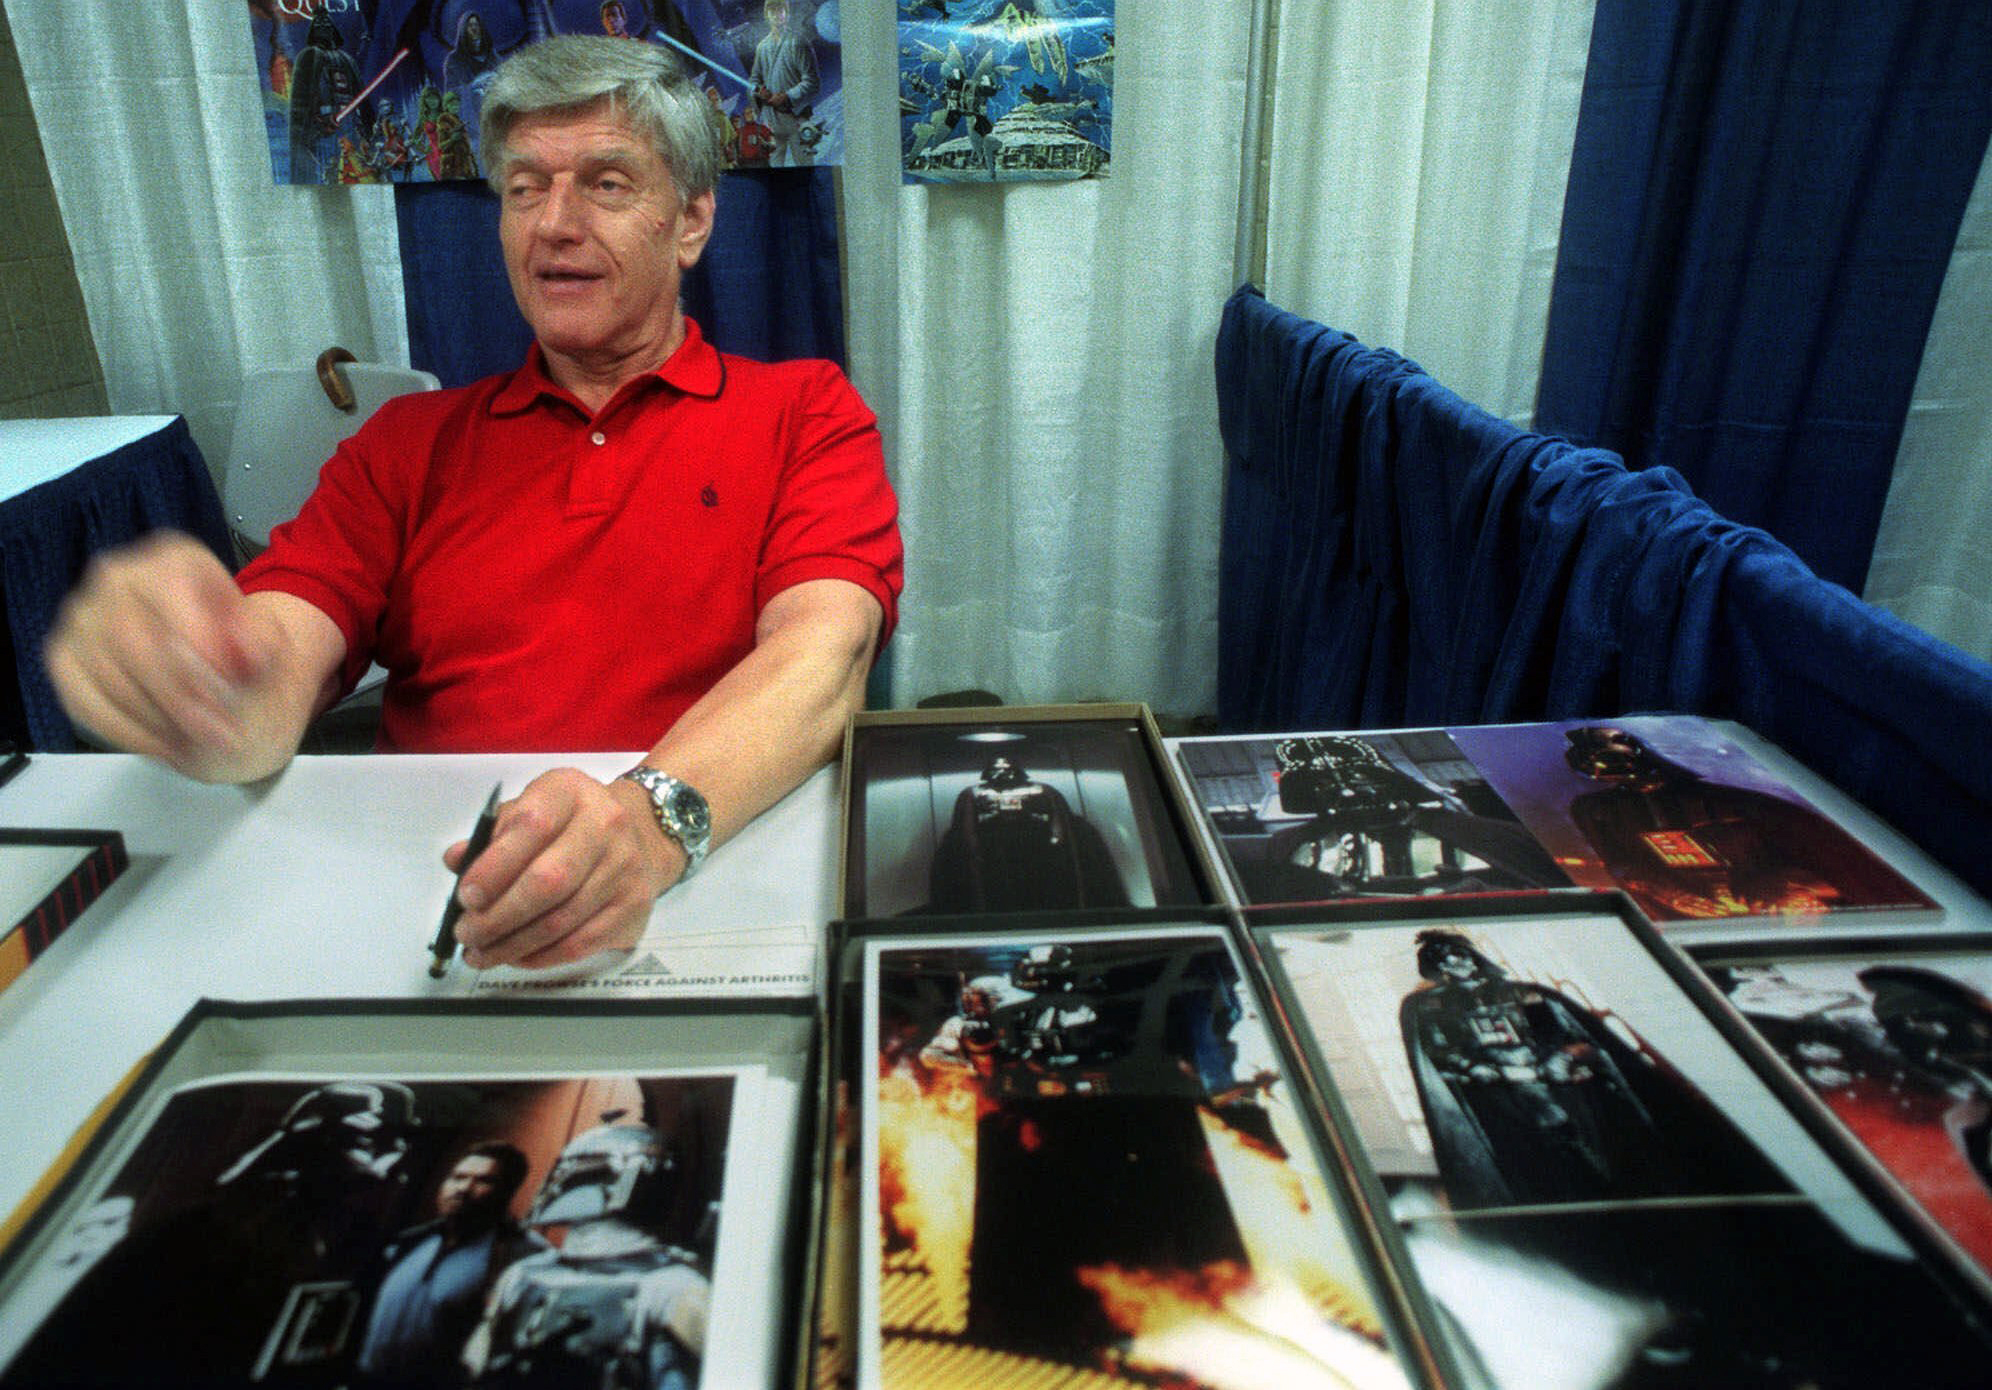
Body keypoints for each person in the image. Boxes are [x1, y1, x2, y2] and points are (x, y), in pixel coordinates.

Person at [44, 36, 903, 972]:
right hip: (427, 908)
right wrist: (202, 677)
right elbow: (278, 660)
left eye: (607, 184)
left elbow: (823, 659)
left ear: (691, 219)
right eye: (526, 188)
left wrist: (646, 823)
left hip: (707, 884)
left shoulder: (803, 411)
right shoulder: (407, 444)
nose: (554, 224)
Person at [356, 1143, 544, 1387]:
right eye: (458, 1177)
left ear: (508, 1192)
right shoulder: (410, 1242)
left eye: (484, 1181)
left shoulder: (524, 1255)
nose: (463, 1188)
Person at [748, 0, 817, 166]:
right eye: (772, 11)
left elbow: (812, 81)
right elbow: (754, 80)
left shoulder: (799, 43)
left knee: (805, 169)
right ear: (766, 15)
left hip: (796, 117)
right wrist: (758, 91)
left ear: (787, 14)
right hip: (772, 121)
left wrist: (787, 96)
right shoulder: (762, 47)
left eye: (780, 10)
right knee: (772, 172)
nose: (777, 14)